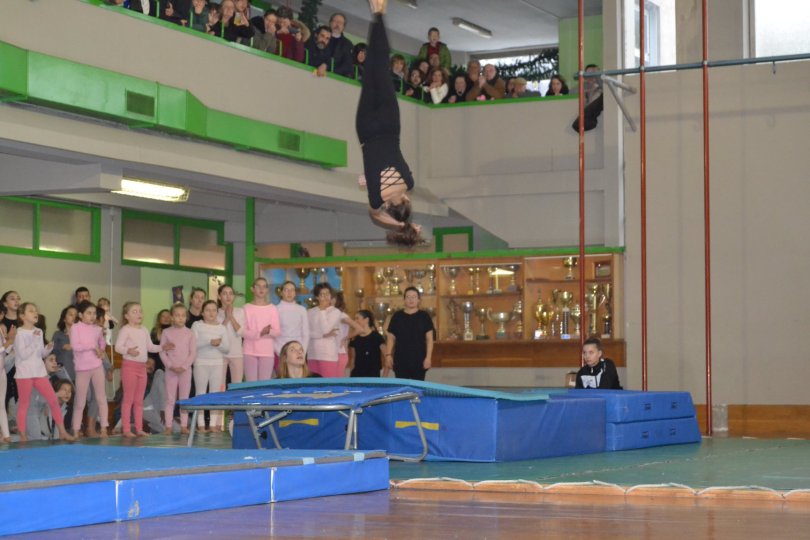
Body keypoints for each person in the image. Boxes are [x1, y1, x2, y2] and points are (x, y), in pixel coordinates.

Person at [356, 1, 423, 246]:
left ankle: (380, 15)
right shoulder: (376, 197)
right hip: (366, 130)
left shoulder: (409, 182)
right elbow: (376, 215)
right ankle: (377, 17)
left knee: (382, 70)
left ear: (405, 202)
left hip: (389, 126)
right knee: (370, 74)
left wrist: (407, 222)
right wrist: (401, 226)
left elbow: (386, 212)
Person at [14, 302, 74, 442]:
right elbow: (22, 355)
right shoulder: (19, 333)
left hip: (39, 372)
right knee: (25, 403)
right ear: (22, 316)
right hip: (24, 374)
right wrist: (34, 340)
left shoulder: (39, 331)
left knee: (53, 399)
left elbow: (40, 354)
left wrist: (47, 348)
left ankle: (63, 432)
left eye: (36, 310)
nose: (35, 313)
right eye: (31, 311)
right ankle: (23, 435)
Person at [115, 301, 171, 437]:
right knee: (128, 399)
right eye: (134, 312)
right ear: (127, 316)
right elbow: (118, 347)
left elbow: (151, 347)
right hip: (129, 366)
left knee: (139, 400)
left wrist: (162, 347)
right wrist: (128, 350)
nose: (139, 314)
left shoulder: (144, 330)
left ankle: (139, 428)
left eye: (140, 311)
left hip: (142, 368)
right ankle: (127, 429)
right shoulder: (126, 330)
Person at [69, 301, 108, 438]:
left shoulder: (97, 329)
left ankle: (104, 428)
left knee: (101, 397)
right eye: (89, 313)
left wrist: (102, 351)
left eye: (94, 313)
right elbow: (75, 346)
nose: (92, 316)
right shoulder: (75, 328)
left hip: (96, 366)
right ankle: (75, 430)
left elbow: (102, 343)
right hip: (82, 368)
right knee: (80, 401)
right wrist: (92, 346)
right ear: (80, 315)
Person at [307, 283, 361, 378]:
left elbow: (326, 329)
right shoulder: (310, 312)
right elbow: (307, 332)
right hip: (312, 353)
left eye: (327, 294)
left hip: (328, 354)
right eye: (322, 294)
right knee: (313, 385)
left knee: (328, 385)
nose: (325, 297)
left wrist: (323, 311)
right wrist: (322, 336)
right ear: (317, 297)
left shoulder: (335, 312)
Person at [191, 300, 229, 433]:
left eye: (214, 310)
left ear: (217, 313)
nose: (211, 313)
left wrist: (219, 344)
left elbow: (227, 349)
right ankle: (200, 424)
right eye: (208, 310)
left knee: (215, 394)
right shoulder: (197, 325)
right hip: (201, 362)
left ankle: (213, 424)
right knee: (200, 393)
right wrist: (209, 342)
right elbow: (193, 345)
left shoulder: (221, 328)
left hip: (217, 363)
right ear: (202, 313)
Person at [160, 303, 196, 434]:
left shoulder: (190, 333)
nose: (180, 318)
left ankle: (184, 426)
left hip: (185, 371)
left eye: (183, 315)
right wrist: (170, 366)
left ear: (186, 317)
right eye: (177, 315)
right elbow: (162, 351)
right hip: (171, 371)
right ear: (172, 317)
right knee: (170, 399)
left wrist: (184, 366)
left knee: (184, 399)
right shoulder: (166, 332)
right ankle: (168, 426)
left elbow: (193, 353)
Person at [385, 287, 434, 381]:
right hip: (400, 359)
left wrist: (428, 358)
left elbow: (429, 339)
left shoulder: (424, 316)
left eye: (414, 297)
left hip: (419, 359)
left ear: (419, 300)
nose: (411, 299)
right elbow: (391, 338)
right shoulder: (397, 316)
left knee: (417, 389)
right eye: (408, 297)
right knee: (402, 389)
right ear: (404, 300)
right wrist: (388, 355)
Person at [242, 277, 281, 381]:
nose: (261, 289)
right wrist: (259, 333)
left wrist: (268, 331)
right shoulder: (246, 308)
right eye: (258, 286)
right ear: (252, 289)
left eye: (264, 286)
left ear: (267, 290)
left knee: (264, 384)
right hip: (249, 351)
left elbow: (277, 332)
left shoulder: (272, 308)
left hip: (267, 352)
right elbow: (243, 331)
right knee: (251, 384)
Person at [275, 280, 309, 376]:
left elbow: (305, 333)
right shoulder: (275, 309)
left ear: (295, 293)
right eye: (286, 290)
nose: (289, 293)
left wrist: (302, 352)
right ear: (281, 293)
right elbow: (272, 334)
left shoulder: (301, 309)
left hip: (299, 353)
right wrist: (281, 353)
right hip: (280, 352)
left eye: (292, 290)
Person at [217, 284, 245, 388]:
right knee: (220, 386)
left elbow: (240, 332)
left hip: (237, 353)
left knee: (237, 386)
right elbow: (217, 333)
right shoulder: (215, 312)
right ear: (219, 296)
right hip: (220, 354)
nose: (228, 296)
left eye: (230, 294)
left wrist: (231, 316)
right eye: (224, 293)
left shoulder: (240, 311)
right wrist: (226, 318)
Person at [348, 310, 386, 378]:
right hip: (357, 375)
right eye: (354, 318)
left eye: (357, 318)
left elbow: (387, 356)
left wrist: (384, 377)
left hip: (373, 376)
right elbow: (353, 359)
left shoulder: (377, 337)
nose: (355, 321)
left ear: (366, 320)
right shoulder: (354, 338)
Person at [572, 64, 603, 132]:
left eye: (593, 74)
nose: (591, 77)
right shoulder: (579, 88)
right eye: (588, 74)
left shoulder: (604, 88)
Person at [52, 305, 78, 381]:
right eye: (71, 314)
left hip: (81, 374)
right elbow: (52, 352)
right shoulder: (58, 334)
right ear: (64, 319)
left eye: (76, 315)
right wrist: (61, 347)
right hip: (63, 374)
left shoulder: (83, 335)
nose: (74, 317)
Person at [327, 12, 355, 78]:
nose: (337, 24)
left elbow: (346, 64)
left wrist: (332, 73)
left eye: (340, 23)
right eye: (335, 21)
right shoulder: (321, 36)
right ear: (330, 23)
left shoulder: (348, 44)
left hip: (336, 77)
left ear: (343, 27)